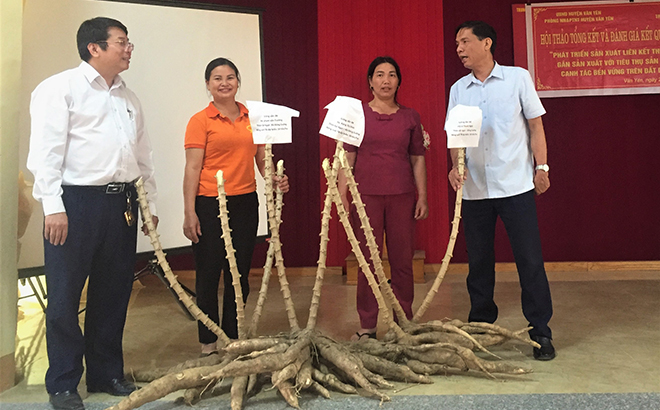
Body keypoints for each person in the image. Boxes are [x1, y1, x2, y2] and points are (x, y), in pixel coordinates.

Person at [27, 17, 158, 410]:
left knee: (113, 291)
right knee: (65, 296)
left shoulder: (128, 97)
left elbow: (143, 156)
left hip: (122, 204)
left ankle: (106, 373)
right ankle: (64, 383)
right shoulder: (59, 89)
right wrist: (53, 206)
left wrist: (148, 203)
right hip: (74, 204)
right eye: (122, 42)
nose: (129, 48)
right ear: (94, 48)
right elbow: (46, 153)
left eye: (129, 42)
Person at [447, 21, 555, 360]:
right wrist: (455, 166)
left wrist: (542, 167)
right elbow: (456, 137)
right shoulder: (459, 89)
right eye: (457, 44)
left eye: (465, 42)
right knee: (478, 264)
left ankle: (541, 332)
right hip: (476, 189)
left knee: (529, 261)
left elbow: (536, 126)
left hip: (515, 185)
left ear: (486, 43)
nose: (460, 49)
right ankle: (480, 327)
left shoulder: (517, 78)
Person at [183, 58, 289, 356]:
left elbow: (261, 161)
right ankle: (208, 341)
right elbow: (192, 168)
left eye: (230, 77)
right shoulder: (200, 120)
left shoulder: (252, 117)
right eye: (217, 78)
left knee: (239, 273)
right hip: (208, 203)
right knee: (208, 273)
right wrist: (189, 211)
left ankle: (233, 335)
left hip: (245, 202)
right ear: (208, 84)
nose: (224, 83)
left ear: (238, 82)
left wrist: (276, 179)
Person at [340, 56, 428, 341]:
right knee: (367, 261)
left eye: (391, 75)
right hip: (366, 197)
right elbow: (347, 158)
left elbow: (417, 159)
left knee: (402, 260)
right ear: (370, 81)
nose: (386, 80)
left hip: (402, 195)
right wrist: (342, 197)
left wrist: (422, 196)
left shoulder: (410, 117)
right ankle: (367, 325)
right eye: (380, 75)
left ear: (399, 81)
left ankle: (404, 319)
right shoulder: (357, 114)